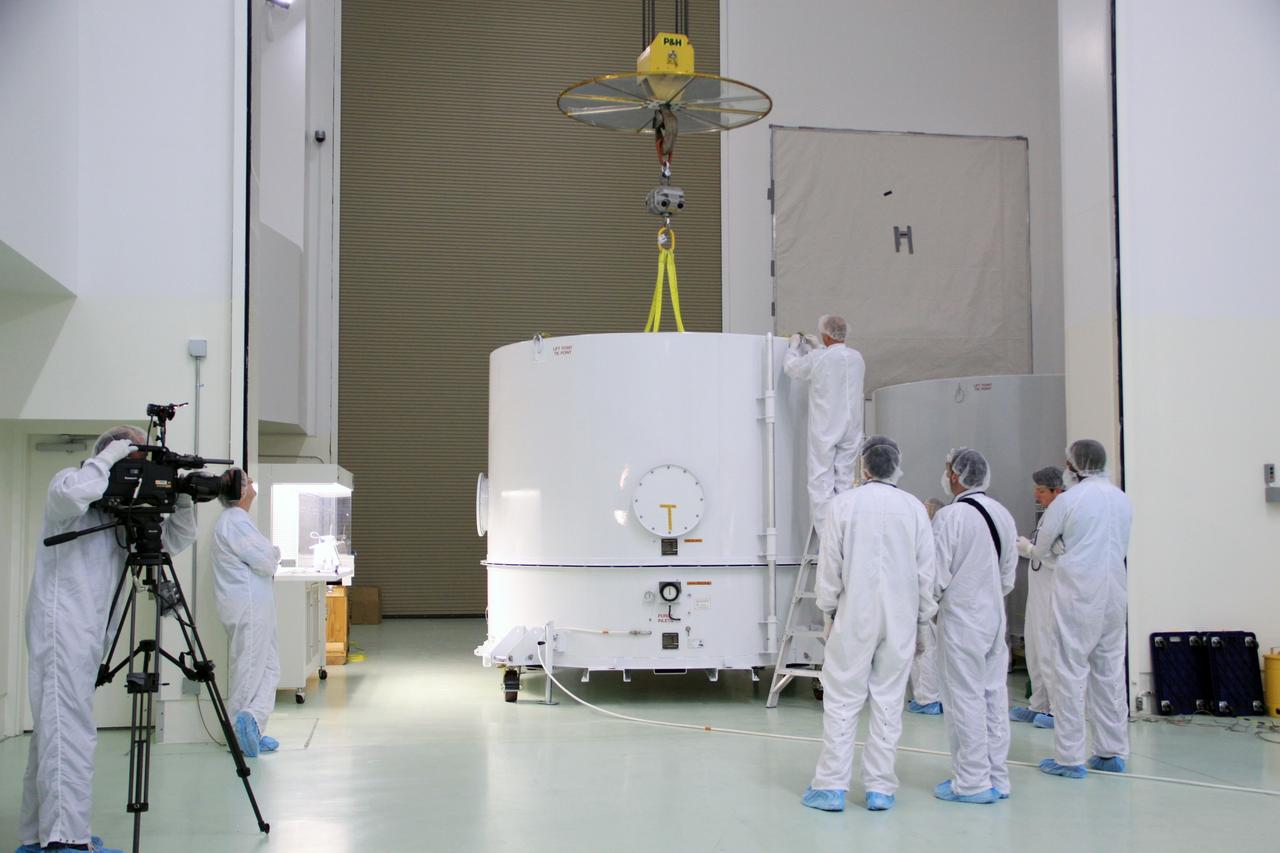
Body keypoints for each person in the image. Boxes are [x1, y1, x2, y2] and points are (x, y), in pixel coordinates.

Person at [18, 427, 197, 853]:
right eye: (131, 460)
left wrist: (183, 495)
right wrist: (111, 458)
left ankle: (36, 835)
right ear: (111, 456)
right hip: (61, 627)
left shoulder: (121, 514)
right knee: (70, 731)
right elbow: (71, 495)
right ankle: (67, 841)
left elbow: (176, 540)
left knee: (53, 733)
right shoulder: (71, 484)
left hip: (88, 633)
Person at [803, 436, 936, 813]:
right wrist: (924, 621)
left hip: (854, 615)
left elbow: (829, 567)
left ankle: (831, 786)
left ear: (863, 467)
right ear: (896, 466)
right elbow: (927, 572)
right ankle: (880, 788)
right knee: (889, 701)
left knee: (843, 700)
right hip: (901, 617)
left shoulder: (843, 506)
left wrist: (828, 610)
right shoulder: (913, 509)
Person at [1029, 440, 1132, 778]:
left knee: (1070, 674)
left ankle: (1070, 757)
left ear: (1072, 466)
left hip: (1077, 595)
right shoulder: (1121, 499)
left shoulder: (1069, 501)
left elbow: (1041, 547)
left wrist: (1060, 548)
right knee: (1109, 672)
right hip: (1114, 593)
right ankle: (1111, 750)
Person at [931, 448, 1017, 804]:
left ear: (955, 476)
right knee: (993, 694)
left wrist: (926, 610)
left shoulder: (951, 518)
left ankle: (971, 782)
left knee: (964, 697)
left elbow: (935, 576)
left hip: (962, 619)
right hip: (995, 616)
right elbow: (1008, 577)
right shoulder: (1003, 515)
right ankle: (997, 777)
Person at [211, 469, 282, 758]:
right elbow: (266, 560)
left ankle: (253, 724)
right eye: (248, 481)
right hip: (248, 606)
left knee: (270, 667)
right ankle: (236, 735)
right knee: (250, 669)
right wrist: (275, 553)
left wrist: (270, 554)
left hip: (255, 604)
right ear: (240, 491)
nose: (253, 484)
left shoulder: (238, 521)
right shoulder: (234, 522)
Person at [783, 314, 866, 530]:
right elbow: (833, 365)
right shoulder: (857, 358)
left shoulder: (820, 358)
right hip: (852, 429)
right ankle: (846, 533)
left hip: (827, 427)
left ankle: (827, 538)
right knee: (844, 481)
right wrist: (818, 348)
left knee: (821, 481)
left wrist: (793, 347)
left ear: (826, 335)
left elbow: (792, 368)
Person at [1010, 466, 1065, 729]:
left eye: (1042, 491)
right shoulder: (1047, 515)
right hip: (1038, 594)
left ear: (1058, 490)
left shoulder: (1064, 513)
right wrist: (1027, 550)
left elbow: (1059, 555)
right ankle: (1038, 705)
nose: (1037, 495)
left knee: (1049, 651)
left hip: (1053, 595)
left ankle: (1056, 710)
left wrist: (1031, 549)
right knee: (1034, 648)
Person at [907, 498, 945, 716]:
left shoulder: (930, 539)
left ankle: (928, 698)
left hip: (925, 601)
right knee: (927, 649)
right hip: (927, 600)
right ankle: (929, 696)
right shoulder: (928, 538)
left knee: (926, 649)